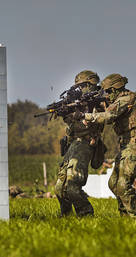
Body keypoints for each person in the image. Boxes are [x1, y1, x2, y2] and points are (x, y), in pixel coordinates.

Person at [84, 73, 136, 218]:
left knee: (123, 184)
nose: (107, 95)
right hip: (126, 144)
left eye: (108, 92)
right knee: (114, 183)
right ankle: (125, 216)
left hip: (135, 143)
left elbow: (108, 117)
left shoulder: (125, 99)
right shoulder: (123, 99)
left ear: (115, 89)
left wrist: (87, 116)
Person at [54, 70, 104, 217]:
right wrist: (67, 114)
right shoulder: (79, 101)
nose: (80, 89)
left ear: (91, 84)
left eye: (83, 86)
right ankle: (66, 217)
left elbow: (94, 122)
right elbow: (73, 124)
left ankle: (86, 216)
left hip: (85, 144)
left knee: (72, 186)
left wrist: (79, 113)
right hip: (73, 144)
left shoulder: (98, 102)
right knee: (59, 187)